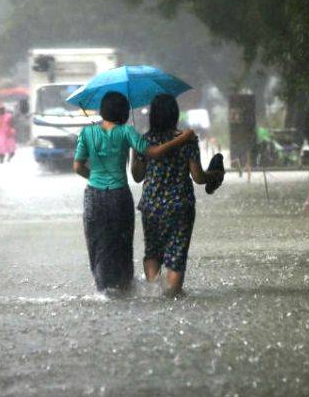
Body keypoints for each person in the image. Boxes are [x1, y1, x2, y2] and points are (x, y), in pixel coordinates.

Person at [73, 91, 196, 294]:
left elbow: (77, 166)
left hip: (93, 196)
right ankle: (123, 287)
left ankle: (103, 289)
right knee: (122, 245)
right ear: (123, 112)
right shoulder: (127, 132)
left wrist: (96, 179)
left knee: (97, 242)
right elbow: (154, 152)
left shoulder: (86, 133)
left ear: (103, 110)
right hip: (119, 196)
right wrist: (183, 138)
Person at [131, 94, 224, 297]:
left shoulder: (144, 141)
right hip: (180, 206)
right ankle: (171, 295)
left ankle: (153, 294)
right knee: (177, 255)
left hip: (151, 206)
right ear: (174, 115)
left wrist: (135, 153)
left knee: (153, 252)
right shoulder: (187, 140)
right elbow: (198, 177)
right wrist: (215, 174)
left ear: (153, 116)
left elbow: (137, 177)